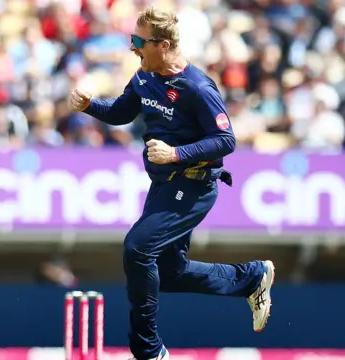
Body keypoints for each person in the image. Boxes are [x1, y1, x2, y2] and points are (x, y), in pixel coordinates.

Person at [68, 5, 275, 360]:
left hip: (194, 183)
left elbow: (226, 141)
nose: (132, 48)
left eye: (138, 41)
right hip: (165, 185)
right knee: (169, 272)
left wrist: (176, 154)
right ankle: (250, 278)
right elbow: (121, 112)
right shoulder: (144, 75)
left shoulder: (197, 86)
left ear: (162, 44)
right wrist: (90, 106)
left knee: (137, 248)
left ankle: (148, 350)